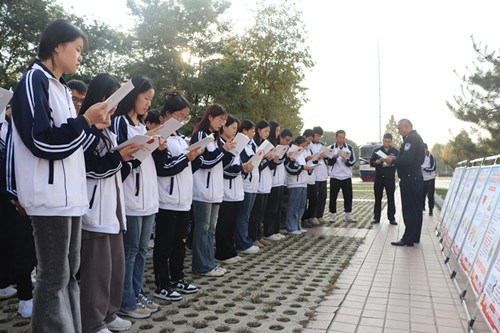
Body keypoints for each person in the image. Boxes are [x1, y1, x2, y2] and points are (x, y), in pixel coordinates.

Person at [10, 19, 109, 332]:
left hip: (70, 198)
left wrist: (91, 125)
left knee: (68, 274)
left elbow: (70, 144)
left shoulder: (62, 89)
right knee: (54, 277)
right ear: (57, 46)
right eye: (77, 49)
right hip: (48, 197)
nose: (81, 56)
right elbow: (41, 140)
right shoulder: (33, 80)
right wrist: (84, 123)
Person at [79, 74, 141, 333]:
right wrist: (119, 158)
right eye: (111, 99)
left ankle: (110, 313)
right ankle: (93, 322)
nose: (115, 107)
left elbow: (115, 168)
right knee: (96, 271)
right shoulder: (87, 129)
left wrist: (132, 156)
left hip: (113, 207)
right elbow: (87, 167)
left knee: (115, 265)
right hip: (95, 209)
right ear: (100, 98)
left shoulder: (110, 127)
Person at [112, 75, 160, 317]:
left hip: (148, 199)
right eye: (146, 98)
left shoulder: (142, 126)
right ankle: (126, 299)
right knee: (130, 251)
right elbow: (121, 157)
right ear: (134, 95)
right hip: (131, 198)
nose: (148, 104)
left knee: (142, 249)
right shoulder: (120, 122)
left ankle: (137, 290)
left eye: (151, 100)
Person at [152, 89, 203, 301]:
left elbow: (187, 167)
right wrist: (187, 157)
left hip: (183, 201)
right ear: (165, 115)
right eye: (178, 116)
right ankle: (162, 284)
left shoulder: (181, 139)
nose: (181, 120)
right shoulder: (158, 138)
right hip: (167, 201)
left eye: (185, 117)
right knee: (164, 246)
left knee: (179, 244)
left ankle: (177, 278)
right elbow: (164, 168)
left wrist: (196, 155)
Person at [190, 104, 236, 277]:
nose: (221, 124)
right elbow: (204, 161)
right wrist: (223, 150)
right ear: (210, 117)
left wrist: (230, 151)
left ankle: (209, 263)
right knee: (202, 229)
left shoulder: (215, 138)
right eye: (220, 120)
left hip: (215, 190)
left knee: (210, 229)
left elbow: (219, 163)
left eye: (224, 121)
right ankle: (201, 266)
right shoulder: (201, 135)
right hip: (203, 189)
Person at [0, 107, 36, 319]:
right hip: (16, 197)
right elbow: (10, 162)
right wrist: (15, 195)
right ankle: (25, 297)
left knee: (38, 249)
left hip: (39, 194)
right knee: (21, 247)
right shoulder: (15, 125)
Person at [215, 115, 253, 263]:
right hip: (226, 191)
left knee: (231, 223)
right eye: (233, 128)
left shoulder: (233, 143)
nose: (234, 131)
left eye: (236, 129)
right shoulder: (221, 144)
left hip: (236, 190)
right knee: (224, 223)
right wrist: (241, 168)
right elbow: (225, 169)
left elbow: (235, 166)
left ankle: (230, 251)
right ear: (224, 127)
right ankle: (222, 253)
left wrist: (244, 168)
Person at [385, 119, 425, 246]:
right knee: (416, 208)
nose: (398, 131)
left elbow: (408, 159)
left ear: (406, 127)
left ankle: (408, 238)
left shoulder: (411, 139)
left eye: (399, 128)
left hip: (409, 178)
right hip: (415, 177)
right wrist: (397, 158)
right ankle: (414, 237)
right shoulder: (416, 137)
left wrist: (393, 161)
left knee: (410, 209)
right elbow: (413, 158)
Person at [234, 120, 261, 255]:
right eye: (252, 131)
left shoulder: (252, 144)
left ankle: (245, 240)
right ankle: (242, 243)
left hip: (253, 184)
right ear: (244, 131)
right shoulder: (241, 143)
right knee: (242, 216)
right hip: (245, 185)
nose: (253, 134)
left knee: (246, 215)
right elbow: (244, 160)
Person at [248, 120, 275, 247]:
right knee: (255, 213)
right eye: (265, 131)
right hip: (256, 184)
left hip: (265, 183)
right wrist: (264, 158)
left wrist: (273, 158)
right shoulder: (254, 145)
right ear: (258, 130)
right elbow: (255, 164)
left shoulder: (265, 145)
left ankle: (259, 236)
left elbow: (270, 165)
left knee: (261, 213)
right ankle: (253, 238)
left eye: (269, 132)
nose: (267, 134)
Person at [262, 128, 291, 241]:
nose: (277, 132)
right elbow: (274, 162)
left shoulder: (280, 147)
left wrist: (286, 156)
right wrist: (284, 155)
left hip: (280, 181)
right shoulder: (271, 146)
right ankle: (269, 232)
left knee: (279, 208)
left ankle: (276, 230)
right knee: (271, 209)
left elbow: (282, 163)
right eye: (277, 130)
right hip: (272, 182)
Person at [326, 130, 357, 223]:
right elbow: (327, 161)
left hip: (346, 176)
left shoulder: (349, 148)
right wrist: (334, 158)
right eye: (339, 137)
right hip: (335, 176)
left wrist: (346, 161)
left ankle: (348, 215)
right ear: (336, 137)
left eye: (343, 137)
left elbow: (353, 161)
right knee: (333, 197)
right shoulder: (331, 148)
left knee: (348, 196)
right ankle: (332, 215)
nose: (341, 139)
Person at [370, 133, 399, 225]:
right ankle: (376, 217)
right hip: (379, 177)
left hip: (389, 178)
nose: (387, 143)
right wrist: (377, 162)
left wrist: (392, 162)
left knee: (391, 198)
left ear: (391, 141)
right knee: (377, 198)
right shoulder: (376, 151)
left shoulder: (395, 151)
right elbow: (371, 163)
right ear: (383, 140)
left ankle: (391, 218)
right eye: (385, 141)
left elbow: (398, 163)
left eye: (389, 142)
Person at [285, 136, 311, 234]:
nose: (303, 149)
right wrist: (302, 167)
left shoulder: (301, 153)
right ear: (296, 145)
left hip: (303, 183)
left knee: (301, 205)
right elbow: (291, 168)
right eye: (302, 146)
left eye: (304, 147)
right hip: (294, 183)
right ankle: (291, 227)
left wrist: (308, 169)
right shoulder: (291, 152)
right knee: (293, 206)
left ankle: (297, 225)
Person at [310, 126, 328, 223]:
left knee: (323, 196)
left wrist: (326, 156)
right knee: (315, 197)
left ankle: (320, 215)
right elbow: (310, 159)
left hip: (323, 174)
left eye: (320, 136)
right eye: (317, 136)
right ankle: (313, 216)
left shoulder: (321, 145)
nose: (318, 138)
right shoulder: (310, 146)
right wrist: (317, 157)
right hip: (315, 175)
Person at [301, 129, 319, 228]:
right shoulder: (300, 148)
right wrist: (306, 159)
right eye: (308, 139)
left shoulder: (310, 148)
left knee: (314, 200)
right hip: (303, 179)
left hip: (311, 178)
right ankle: (304, 219)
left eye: (311, 140)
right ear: (304, 136)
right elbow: (298, 162)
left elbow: (312, 161)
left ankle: (308, 217)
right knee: (304, 201)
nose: (309, 142)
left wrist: (314, 163)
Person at [422, 143, 436, 216]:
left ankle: (431, 209)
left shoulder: (431, 156)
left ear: (426, 149)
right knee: (421, 194)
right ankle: (422, 207)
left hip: (430, 179)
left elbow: (433, 167)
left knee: (430, 195)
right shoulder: (420, 156)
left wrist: (424, 169)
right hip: (422, 179)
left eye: (423, 149)